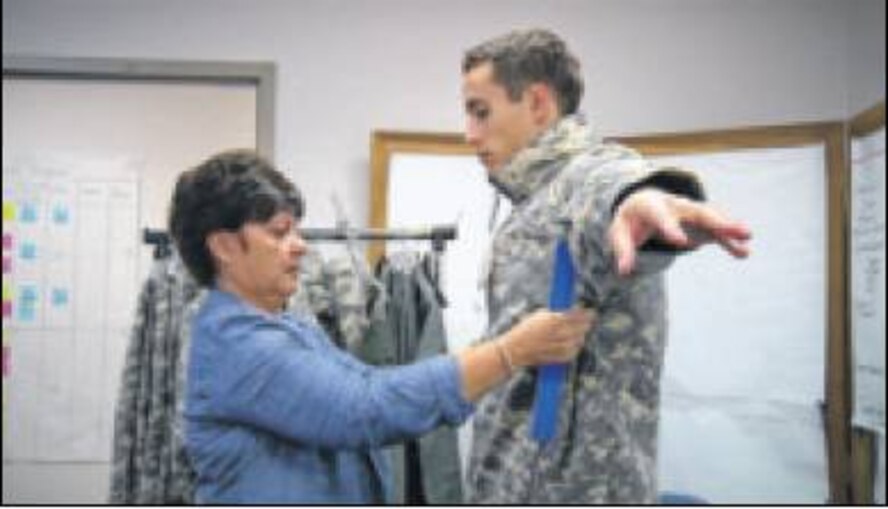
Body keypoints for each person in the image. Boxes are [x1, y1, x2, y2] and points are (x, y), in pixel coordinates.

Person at [167, 149, 595, 504]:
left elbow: (373, 381)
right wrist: (509, 352)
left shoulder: (286, 326)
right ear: (223, 246)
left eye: (295, 231)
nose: (298, 246)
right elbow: (363, 408)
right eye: (279, 233)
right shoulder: (238, 344)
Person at [459, 28, 752, 504]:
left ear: (537, 103)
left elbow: (614, 187)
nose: (469, 134)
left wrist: (638, 201)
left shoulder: (582, 177)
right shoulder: (531, 203)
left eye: (481, 111)